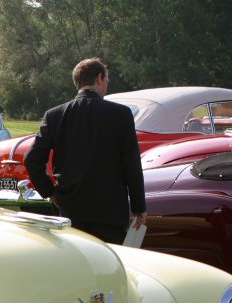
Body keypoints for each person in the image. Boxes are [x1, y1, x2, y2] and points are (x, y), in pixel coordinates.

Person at [24, 57, 146, 243]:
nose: (107, 85)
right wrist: (139, 207)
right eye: (106, 80)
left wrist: (50, 192)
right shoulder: (120, 114)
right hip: (110, 211)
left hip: (71, 209)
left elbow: (32, 158)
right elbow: (131, 163)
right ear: (99, 78)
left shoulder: (55, 115)